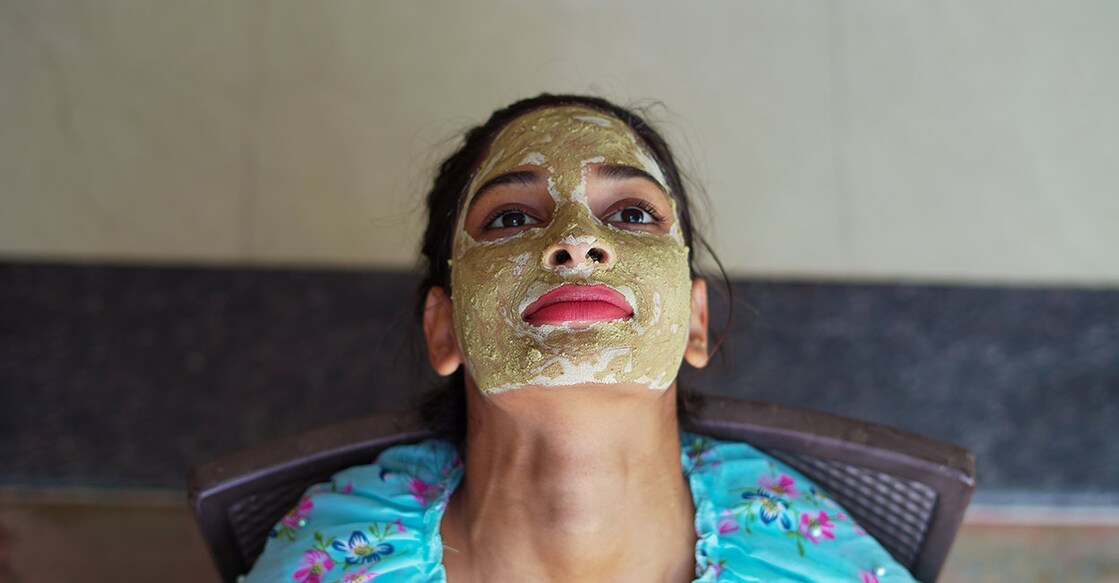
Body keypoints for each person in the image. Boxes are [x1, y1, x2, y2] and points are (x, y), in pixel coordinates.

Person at [244, 95, 916, 582]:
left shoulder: (807, 564)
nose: (576, 242)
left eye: (630, 213)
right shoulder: (336, 563)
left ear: (694, 319)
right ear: (443, 326)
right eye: (510, 217)